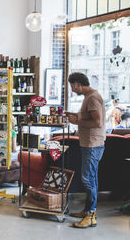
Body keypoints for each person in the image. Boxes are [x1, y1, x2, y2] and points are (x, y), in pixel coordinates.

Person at [66, 72, 106, 228]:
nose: (72, 90)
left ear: (77, 84)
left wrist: (77, 121)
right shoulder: (89, 97)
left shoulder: (92, 98)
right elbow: (89, 117)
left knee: (87, 179)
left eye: (72, 86)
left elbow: (97, 122)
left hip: (92, 144)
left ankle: (91, 215)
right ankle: (88, 210)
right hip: (90, 143)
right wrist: (75, 115)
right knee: (91, 178)